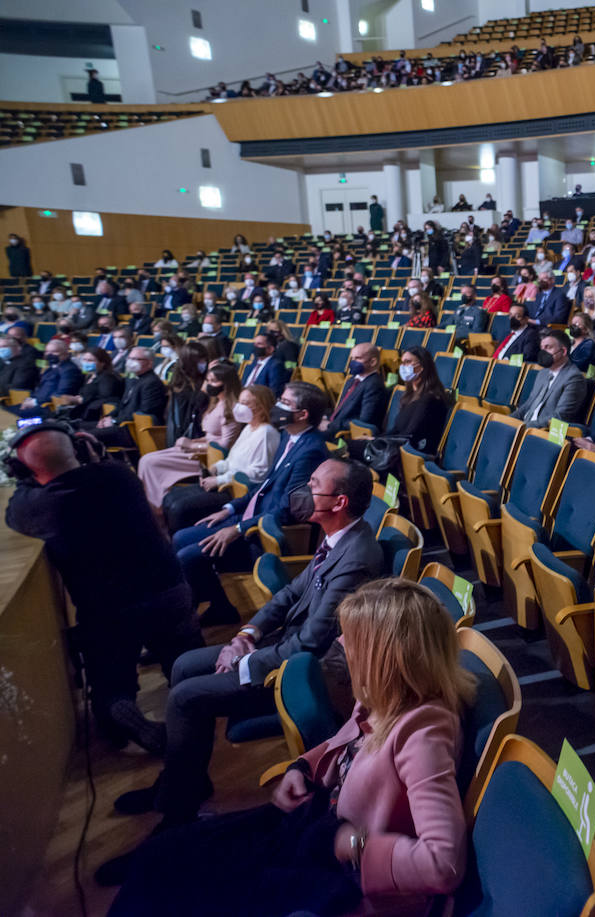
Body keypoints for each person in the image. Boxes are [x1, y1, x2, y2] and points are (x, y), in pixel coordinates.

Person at [106, 577, 475, 914]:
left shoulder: (424, 732)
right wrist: (303, 767)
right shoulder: (385, 697)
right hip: (312, 830)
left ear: (387, 660)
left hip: (339, 874)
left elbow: (444, 865)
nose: (343, 651)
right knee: (162, 854)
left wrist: (353, 843)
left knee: (172, 892)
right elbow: (345, 743)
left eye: (352, 644)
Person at [109, 460, 384, 847]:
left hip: (312, 670)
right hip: (289, 644)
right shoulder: (338, 536)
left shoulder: (357, 556)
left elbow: (312, 644)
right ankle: (182, 780)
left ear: (338, 502)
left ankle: (178, 813)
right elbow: (291, 593)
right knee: (186, 665)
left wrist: (245, 659)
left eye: (314, 484)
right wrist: (247, 633)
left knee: (186, 698)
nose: (304, 488)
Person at [5, 422, 202, 753]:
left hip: (111, 612)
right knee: (186, 657)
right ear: (79, 451)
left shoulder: (38, 506)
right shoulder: (119, 478)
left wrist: (26, 478)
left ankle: (126, 720)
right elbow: (97, 469)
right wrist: (92, 455)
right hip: (169, 590)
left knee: (111, 686)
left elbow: (13, 509)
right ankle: (198, 708)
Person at [171, 381, 331, 624]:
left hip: (263, 532)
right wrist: (229, 509)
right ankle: (209, 605)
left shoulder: (311, 450)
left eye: (285, 403)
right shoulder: (290, 436)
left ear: (302, 414)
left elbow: (288, 508)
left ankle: (198, 615)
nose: (277, 406)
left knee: (188, 557)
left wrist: (236, 530)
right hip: (249, 516)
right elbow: (265, 484)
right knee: (180, 537)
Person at [163, 385, 280, 533]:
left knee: (178, 507)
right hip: (224, 482)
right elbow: (232, 460)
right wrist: (215, 468)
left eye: (245, 403)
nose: (239, 407)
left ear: (261, 407)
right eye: (240, 401)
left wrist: (219, 480)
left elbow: (257, 474)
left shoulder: (266, 433)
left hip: (235, 492)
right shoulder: (249, 427)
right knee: (170, 497)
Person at [138, 364, 243, 511]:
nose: (208, 385)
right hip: (199, 450)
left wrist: (193, 446)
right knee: (146, 459)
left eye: (213, 381)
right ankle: (151, 506)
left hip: (207, 458)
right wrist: (191, 441)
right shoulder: (216, 402)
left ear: (226, 384)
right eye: (208, 380)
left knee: (149, 462)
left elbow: (224, 446)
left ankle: (157, 510)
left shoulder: (231, 408)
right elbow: (210, 436)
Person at [349, 347, 450, 460]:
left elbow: (410, 435)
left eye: (408, 362)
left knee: (353, 449)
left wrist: (377, 441)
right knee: (355, 444)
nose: (403, 366)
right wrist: (374, 438)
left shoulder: (430, 399)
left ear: (422, 366)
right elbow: (396, 429)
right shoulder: (410, 395)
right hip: (398, 446)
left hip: (411, 454)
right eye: (402, 362)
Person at [85, 346, 167, 448]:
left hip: (131, 429)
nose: (130, 362)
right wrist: (107, 417)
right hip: (120, 424)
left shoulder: (152, 383)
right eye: (130, 358)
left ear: (150, 363)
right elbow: (122, 404)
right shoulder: (134, 379)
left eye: (136, 359)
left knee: (85, 436)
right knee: (77, 427)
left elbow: (144, 412)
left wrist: (115, 421)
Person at [512, 329, 590, 428]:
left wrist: (523, 427)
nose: (543, 352)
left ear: (563, 351)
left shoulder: (574, 378)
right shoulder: (543, 373)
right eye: (542, 348)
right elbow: (528, 404)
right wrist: (508, 420)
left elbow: (560, 417)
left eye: (548, 347)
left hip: (542, 431)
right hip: (525, 426)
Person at [324, 343, 387, 439]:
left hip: (345, 434)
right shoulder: (352, 380)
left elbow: (363, 421)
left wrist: (330, 425)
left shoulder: (374, 385)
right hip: (334, 426)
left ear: (373, 362)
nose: (353, 362)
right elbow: (340, 410)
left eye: (357, 358)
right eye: (352, 358)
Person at [16, 337, 82, 417]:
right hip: (39, 403)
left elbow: (61, 394)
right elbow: (40, 388)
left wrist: (35, 402)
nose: (49, 355)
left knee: (16, 414)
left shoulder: (70, 370)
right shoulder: (51, 368)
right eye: (47, 352)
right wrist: (29, 399)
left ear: (65, 353)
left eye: (54, 352)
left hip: (50, 407)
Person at [59, 345, 125, 422]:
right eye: (84, 360)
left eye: (90, 360)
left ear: (102, 363)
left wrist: (80, 400)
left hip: (94, 417)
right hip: (82, 412)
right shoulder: (89, 375)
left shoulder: (107, 378)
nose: (86, 363)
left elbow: (105, 398)